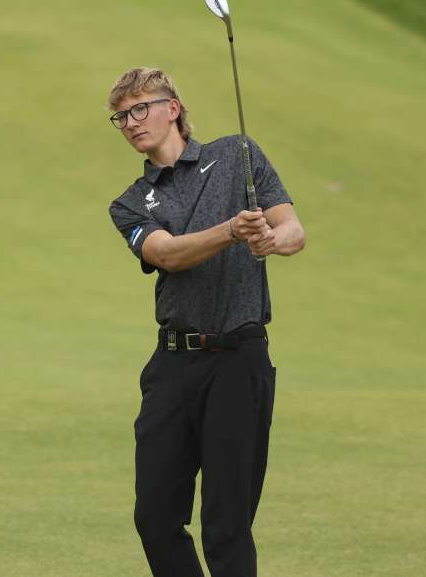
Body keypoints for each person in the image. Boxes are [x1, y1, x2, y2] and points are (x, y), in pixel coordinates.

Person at [106, 67, 305, 577]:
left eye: (139, 108)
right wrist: (233, 230)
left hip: (239, 362)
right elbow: (168, 254)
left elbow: (292, 231)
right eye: (121, 116)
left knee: (227, 524)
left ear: (173, 108)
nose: (130, 122)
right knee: (154, 518)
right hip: (173, 368)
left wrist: (268, 241)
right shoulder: (130, 204)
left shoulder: (238, 153)